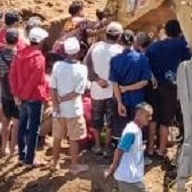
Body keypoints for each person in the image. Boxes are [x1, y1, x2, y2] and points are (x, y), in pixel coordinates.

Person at [145, 20, 192, 158]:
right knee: (165, 121)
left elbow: (146, 63)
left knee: (153, 118)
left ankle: (149, 149)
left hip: (153, 86)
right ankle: (161, 149)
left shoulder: (154, 46)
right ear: (179, 31)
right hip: (170, 87)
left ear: (165, 31)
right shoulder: (180, 45)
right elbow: (189, 59)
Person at [11, 26, 50, 167]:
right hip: (33, 97)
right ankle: (29, 159)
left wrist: (17, 94)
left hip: (21, 98)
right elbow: (34, 80)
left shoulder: (19, 54)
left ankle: (22, 156)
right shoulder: (39, 58)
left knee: (22, 126)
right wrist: (25, 95)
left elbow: (13, 76)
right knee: (33, 129)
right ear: (39, 41)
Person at [50, 38, 89, 173]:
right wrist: (65, 98)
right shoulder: (82, 69)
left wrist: (56, 104)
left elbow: (53, 88)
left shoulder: (57, 66)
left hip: (59, 110)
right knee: (73, 139)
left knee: (57, 137)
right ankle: (74, 166)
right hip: (74, 110)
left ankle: (55, 163)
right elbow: (78, 92)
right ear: (78, 52)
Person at [84, 22, 124, 156]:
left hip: (96, 90)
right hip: (113, 91)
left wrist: (96, 79)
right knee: (110, 121)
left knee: (97, 119)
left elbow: (87, 65)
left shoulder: (95, 47)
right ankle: (107, 147)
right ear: (119, 37)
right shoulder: (120, 50)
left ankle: (97, 145)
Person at [109, 30, 152, 142]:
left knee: (121, 135)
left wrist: (119, 103)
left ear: (120, 41)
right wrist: (127, 88)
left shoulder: (115, 60)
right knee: (138, 133)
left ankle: (122, 157)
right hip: (138, 100)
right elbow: (144, 82)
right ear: (134, 42)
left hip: (122, 100)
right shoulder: (142, 59)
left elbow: (115, 84)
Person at [105, 102, 154, 192]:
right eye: (147, 116)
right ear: (139, 115)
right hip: (129, 178)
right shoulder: (132, 132)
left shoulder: (136, 129)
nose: (150, 119)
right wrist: (112, 169)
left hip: (130, 176)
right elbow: (119, 150)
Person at [0, 28, 21, 157]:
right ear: (17, 41)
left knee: (5, 121)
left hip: (5, 91)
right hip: (17, 92)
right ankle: (13, 148)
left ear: (5, 40)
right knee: (16, 122)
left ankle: (3, 147)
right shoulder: (20, 56)